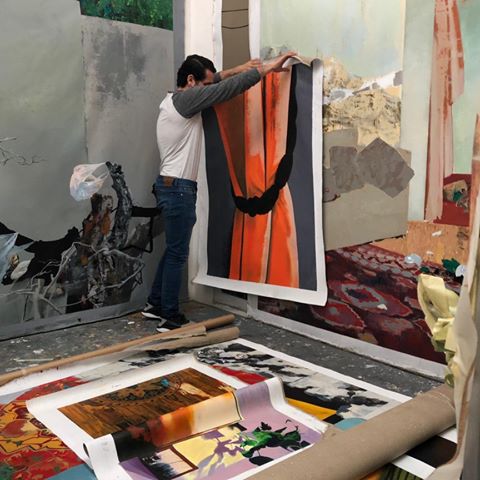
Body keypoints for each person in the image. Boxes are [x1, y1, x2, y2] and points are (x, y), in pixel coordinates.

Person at [143, 51, 296, 331]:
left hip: (170, 186)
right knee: (178, 254)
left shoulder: (173, 100)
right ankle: (169, 317)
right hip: (178, 190)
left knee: (173, 249)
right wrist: (264, 70)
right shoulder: (187, 101)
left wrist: (238, 67)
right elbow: (225, 90)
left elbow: (216, 83)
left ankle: (154, 304)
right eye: (204, 84)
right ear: (190, 81)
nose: (208, 89)